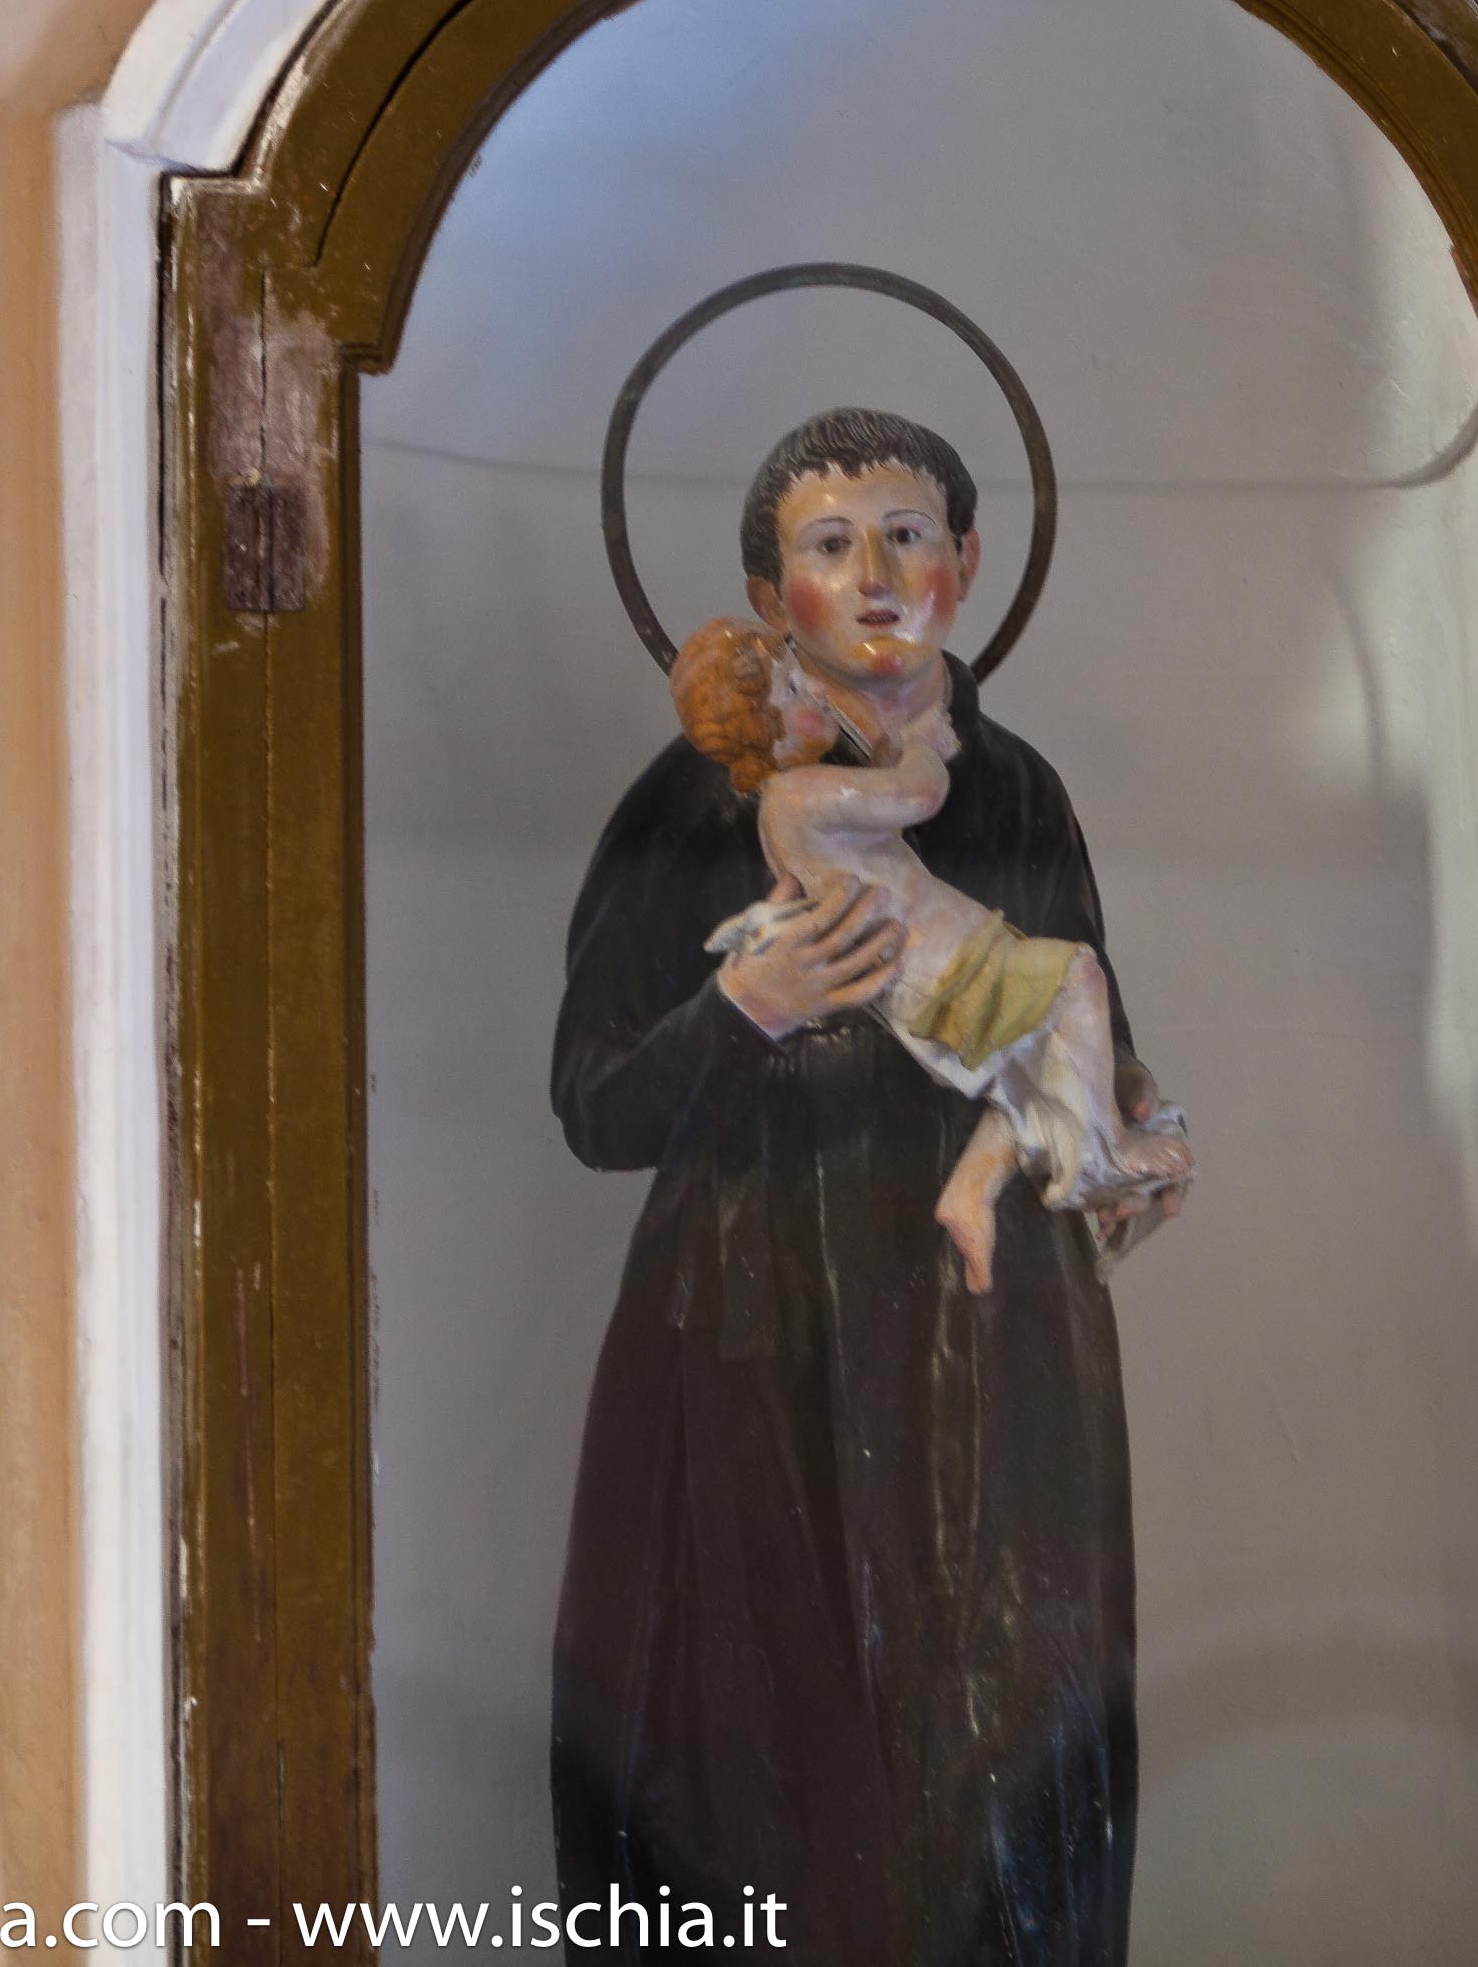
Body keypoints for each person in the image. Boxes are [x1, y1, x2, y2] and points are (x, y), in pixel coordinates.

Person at [550, 407, 1189, 1964]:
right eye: (831, 548)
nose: (880, 576)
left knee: (995, 1726)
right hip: (755, 1320)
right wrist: (741, 1011)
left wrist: (1125, 1113)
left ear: (967, 561)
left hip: (986, 1338)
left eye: (909, 538)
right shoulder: (698, 802)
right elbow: (594, 1102)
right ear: (769, 598)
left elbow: (1078, 1004)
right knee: (763, 1734)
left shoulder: (1017, 790)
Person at [668, 617, 1192, 1294]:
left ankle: (972, 1190)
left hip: (950, 965)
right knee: (1077, 977)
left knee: (1034, 1062)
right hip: (945, 972)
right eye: (794, 689)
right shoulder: (797, 795)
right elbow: (920, 796)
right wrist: (919, 746)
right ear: (765, 730)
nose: (816, 693)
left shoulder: (799, 801)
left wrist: (890, 753)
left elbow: (871, 825)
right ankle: (1108, 1151)